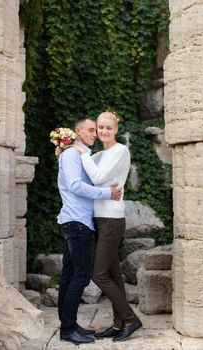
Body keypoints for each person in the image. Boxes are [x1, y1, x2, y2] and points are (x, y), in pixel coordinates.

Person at [72, 111, 142, 342]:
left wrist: (82, 154)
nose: (103, 131)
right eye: (100, 127)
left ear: (116, 129)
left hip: (112, 219)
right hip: (100, 219)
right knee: (114, 275)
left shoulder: (120, 151)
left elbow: (98, 178)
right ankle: (119, 323)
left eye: (108, 128)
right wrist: (66, 150)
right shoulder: (101, 153)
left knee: (99, 275)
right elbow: (83, 175)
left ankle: (131, 319)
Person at [57, 115, 122, 346]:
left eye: (96, 131)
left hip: (74, 221)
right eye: (91, 130)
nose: (95, 134)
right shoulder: (73, 154)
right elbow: (75, 185)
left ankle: (69, 326)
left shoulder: (78, 154)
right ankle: (68, 328)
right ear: (77, 130)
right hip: (77, 222)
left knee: (69, 277)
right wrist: (108, 194)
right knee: (82, 275)